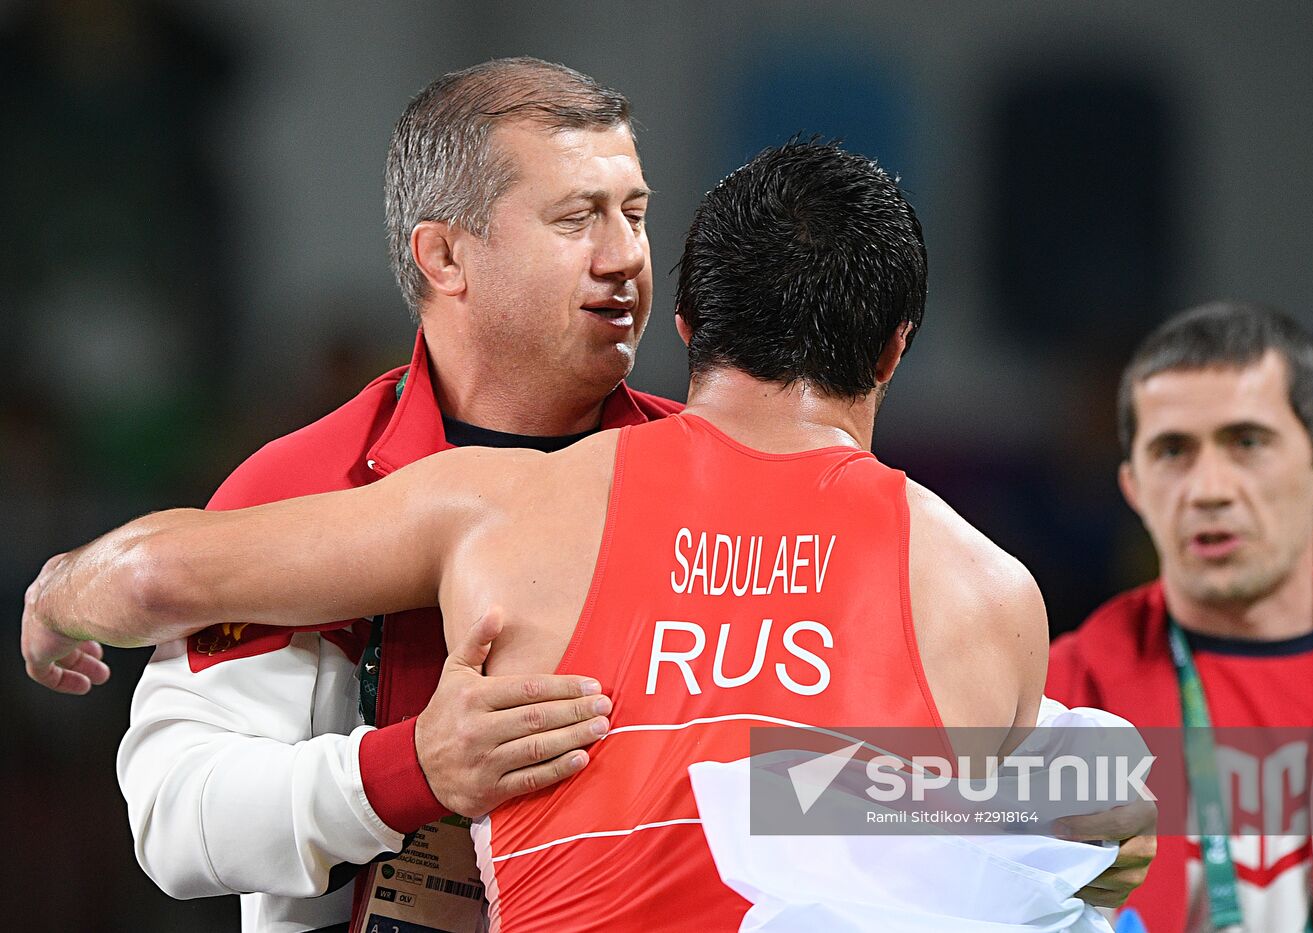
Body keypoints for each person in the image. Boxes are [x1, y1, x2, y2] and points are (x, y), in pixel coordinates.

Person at [24, 62, 1154, 929]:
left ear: (690, 322)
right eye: (577, 219)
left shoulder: (633, 479)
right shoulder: (306, 484)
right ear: (444, 256)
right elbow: (172, 822)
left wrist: (1077, 778)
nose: (622, 254)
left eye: (637, 211)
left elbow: (845, 747)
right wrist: (406, 772)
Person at [1045, 301, 1313, 933]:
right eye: (1173, 451)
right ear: (1134, 488)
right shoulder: (1058, 699)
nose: (1209, 487)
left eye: (1247, 443)